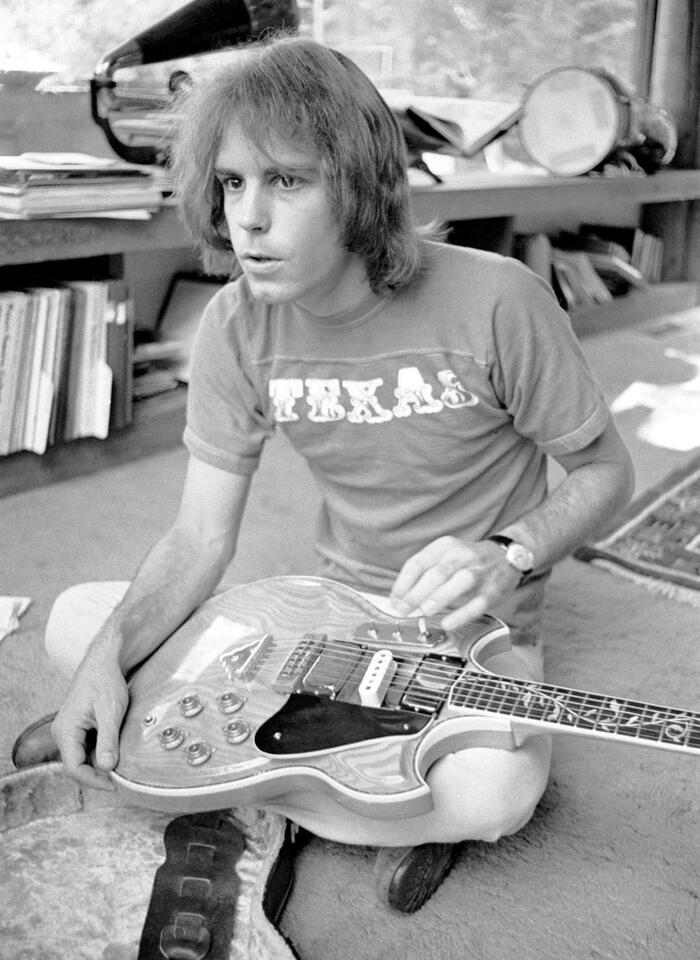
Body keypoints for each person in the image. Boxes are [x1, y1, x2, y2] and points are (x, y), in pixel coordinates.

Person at [13, 34, 634, 916]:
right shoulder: (234, 325)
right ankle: (353, 793)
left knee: (498, 793)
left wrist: (510, 553)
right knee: (78, 623)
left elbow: (607, 471)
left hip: (470, 634)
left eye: (286, 181)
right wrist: (105, 664)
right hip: (317, 619)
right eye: (233, 183)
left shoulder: (500, 300)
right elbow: (199, 536)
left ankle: (214, 770)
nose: (248, 218)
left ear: (360, 187)